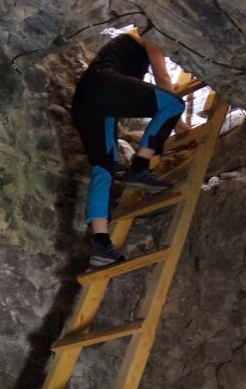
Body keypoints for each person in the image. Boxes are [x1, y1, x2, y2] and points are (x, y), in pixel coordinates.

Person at [71, 28, 186, 267]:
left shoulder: (126, 48)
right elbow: (163, 80)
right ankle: (140, 166)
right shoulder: (152, 29)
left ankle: (101, 244)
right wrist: (184, 130)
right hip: (102, 86)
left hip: (87, 101)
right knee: (174, 104)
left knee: (103, 169)